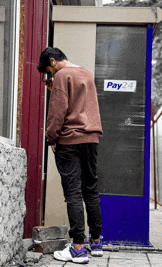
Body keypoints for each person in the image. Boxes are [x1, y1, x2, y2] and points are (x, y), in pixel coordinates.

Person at [37, 47, 103, 264]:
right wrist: (54, 88)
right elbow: (80, 105)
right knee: (90, 191)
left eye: (49, 70)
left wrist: (51, 138)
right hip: (91, 139)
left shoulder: (62, 75)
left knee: (73, 193)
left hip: (70, 140)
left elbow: (58, 112)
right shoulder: (86, 73)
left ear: (53, 61)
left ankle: (77, 248)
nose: (51, 75)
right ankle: (96, 242)